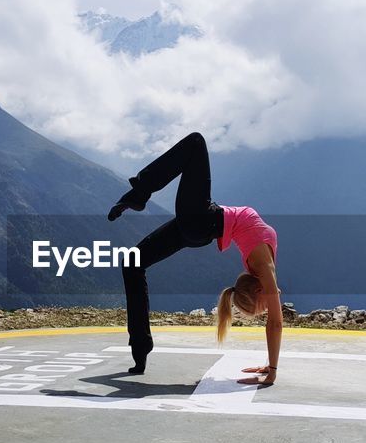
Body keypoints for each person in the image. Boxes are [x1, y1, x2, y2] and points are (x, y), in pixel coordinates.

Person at [108, 132, 282, 386]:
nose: (271, 304)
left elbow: (275, 324)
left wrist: (273, 369)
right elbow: (275, 322)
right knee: (132, 263)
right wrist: (270, 365)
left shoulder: (264, 269)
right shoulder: (261, 267)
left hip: (201, 220)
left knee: (196, 143)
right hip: (197, 229)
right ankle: (140, 347)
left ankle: (139, 193)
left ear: (258, 288)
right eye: (265, 306)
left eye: (264, 306)